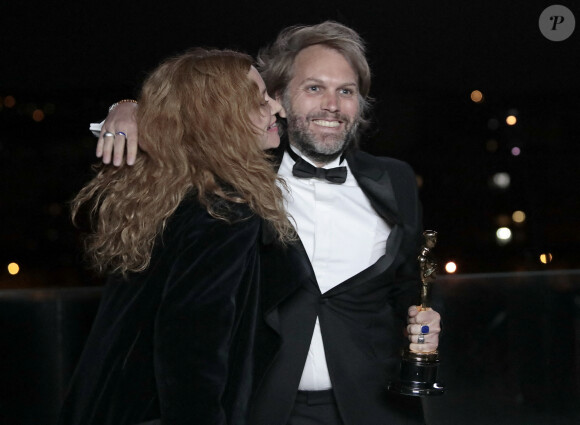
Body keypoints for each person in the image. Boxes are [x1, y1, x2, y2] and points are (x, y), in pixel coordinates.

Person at [93, 22, 442, 425]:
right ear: (279, 97)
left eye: (345, 91)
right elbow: (193, 120)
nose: (332, 104)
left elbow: (408, 282)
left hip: (379, 406)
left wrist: (428, 317)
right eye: (314, 88)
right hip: (265, 407)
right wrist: (128, 109)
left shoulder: (395, 179)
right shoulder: (235, 182)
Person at [58, 48, 293, 425]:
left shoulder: (167, 194)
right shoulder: (223, 209)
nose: (276, 110)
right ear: (219, 117)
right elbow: (191, 350)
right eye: (259, 100)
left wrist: (127, 105)